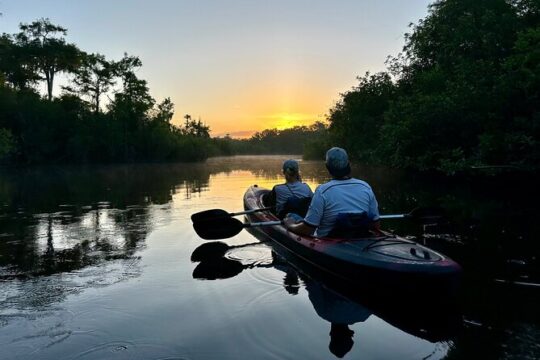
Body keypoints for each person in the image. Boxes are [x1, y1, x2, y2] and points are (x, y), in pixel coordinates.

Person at [284, 147, 380, 237]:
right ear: (348, 164)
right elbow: (376, 224)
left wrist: (290, 225)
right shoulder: (365, 186)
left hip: (329, 240)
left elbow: (307, 230)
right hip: (360, 236)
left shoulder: (322, 191)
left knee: (292, 216)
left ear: (327, 167)